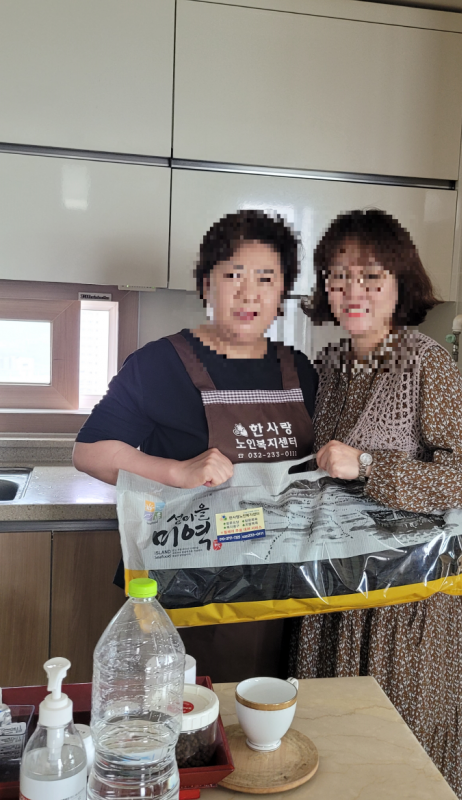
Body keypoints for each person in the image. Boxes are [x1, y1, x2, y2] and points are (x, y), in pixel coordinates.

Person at [288, 209, 462, 800]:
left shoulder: (425, 362)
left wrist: (370, 466)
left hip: (401, 606)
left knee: (396, 760)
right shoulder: (331, 364)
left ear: (400, 283)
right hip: (332, 594)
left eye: (371, 276)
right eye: (339, 276)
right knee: (328, 756)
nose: (353, 290)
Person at [73, 209, 318, 681]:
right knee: (184, 710)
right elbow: (90, 451)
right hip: (184, 584)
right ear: (207, 285)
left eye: (266, 279)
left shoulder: (300, 370)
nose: (249, 293)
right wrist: (177, 472)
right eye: (233, 275)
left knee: (263, 713)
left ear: (282, 293)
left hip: (279, 583)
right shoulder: (158, 364)